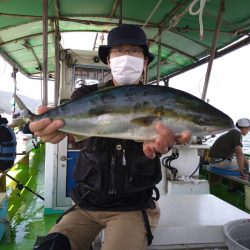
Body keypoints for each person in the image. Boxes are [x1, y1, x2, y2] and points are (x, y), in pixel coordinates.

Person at [30, 24, 191, 250]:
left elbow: (169, 135)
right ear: (109, 59)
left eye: (135, 51)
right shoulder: (86, 95)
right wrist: (51, 130)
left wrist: (164, 146)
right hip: (86, 203)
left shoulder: (157, 100)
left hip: (133, 207)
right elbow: (74, 131)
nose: (127, 56)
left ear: (145, 61)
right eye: (119, 51)